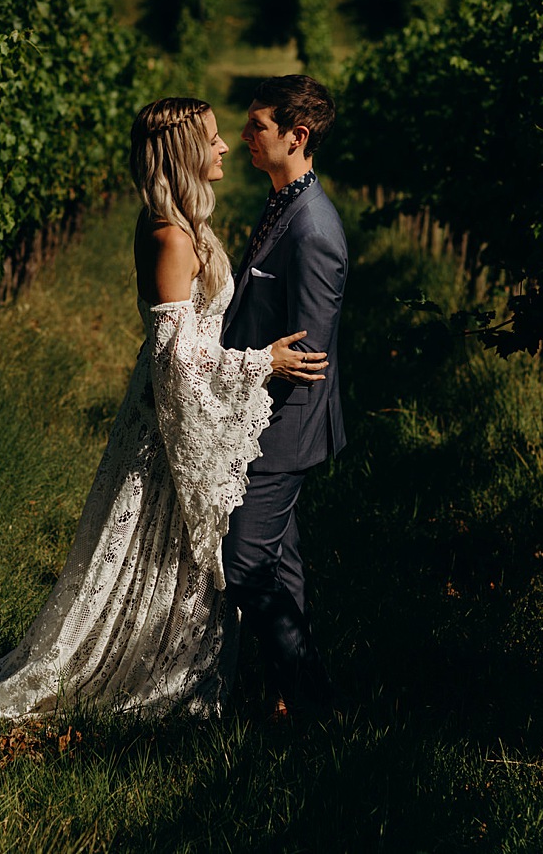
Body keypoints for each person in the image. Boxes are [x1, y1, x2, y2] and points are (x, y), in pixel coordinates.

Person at [0, 97, 326, 723]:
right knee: (155, 554)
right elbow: (177, 363)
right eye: (213, 140)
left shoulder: (183, 221)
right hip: (167, 420)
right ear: (185, 153)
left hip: (177, 412)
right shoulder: (169, 235)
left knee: (168, 562)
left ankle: (169, 667)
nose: (224, 149)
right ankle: (139, 678)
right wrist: (260, 364)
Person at [220, 75, 347, 717]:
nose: (244, 135)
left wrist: (265, 443)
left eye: (258, 126)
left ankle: (310, 697)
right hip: (259, 421)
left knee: (243, 562)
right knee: (280, 560)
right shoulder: (282, 204)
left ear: (297, 136)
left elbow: (308, 360)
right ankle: (294, 698)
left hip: (280, 433)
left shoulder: (314, 229)